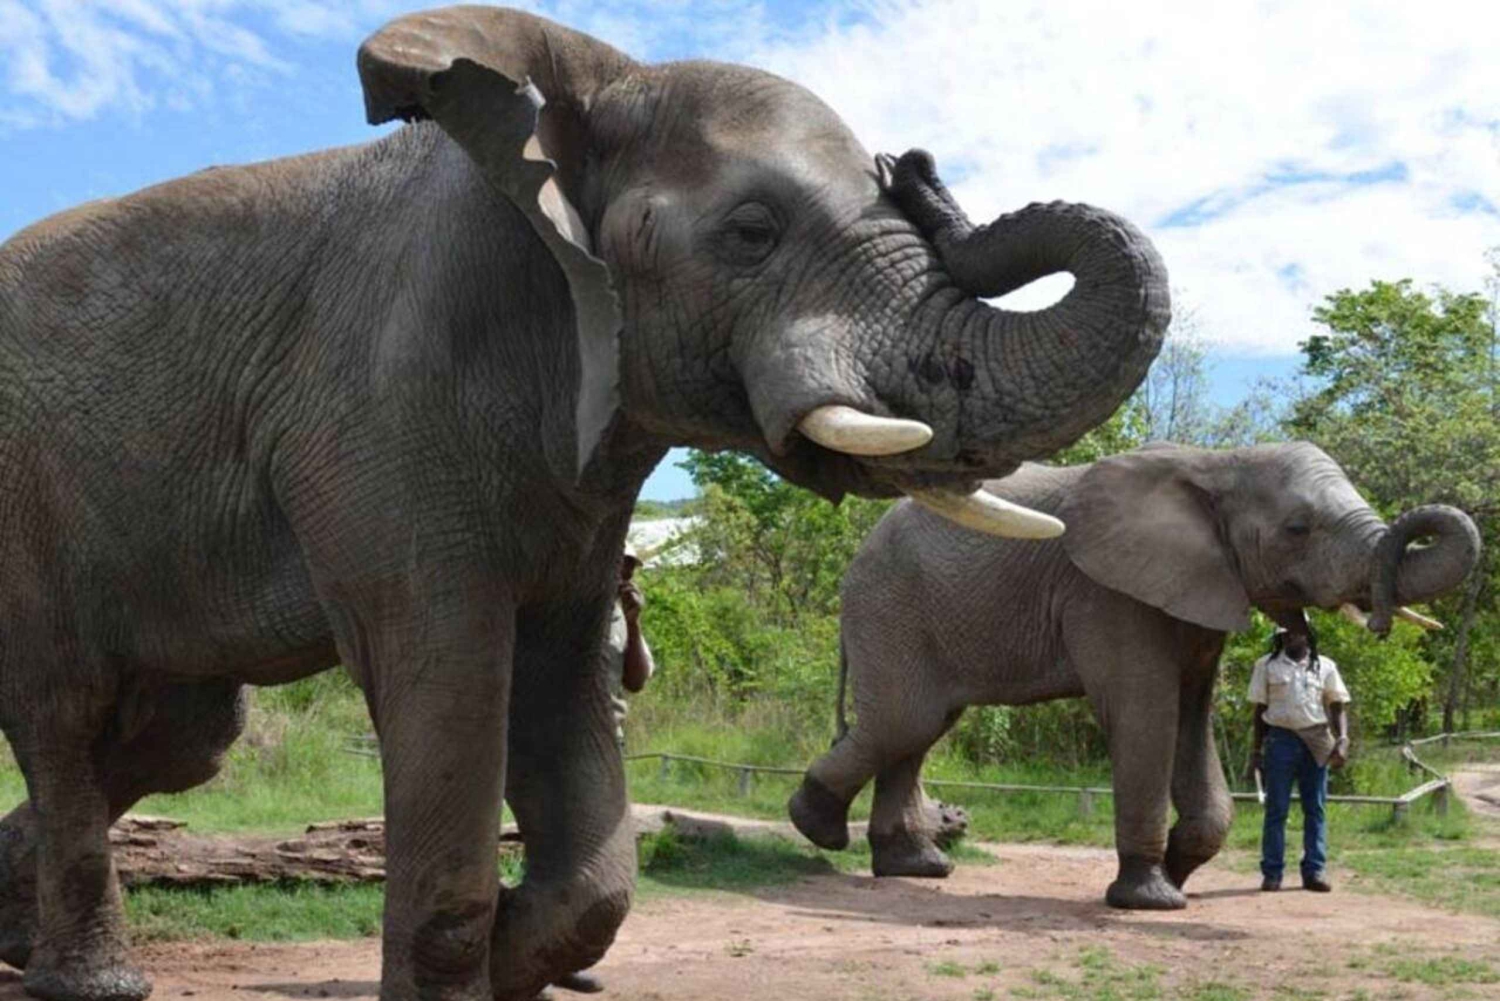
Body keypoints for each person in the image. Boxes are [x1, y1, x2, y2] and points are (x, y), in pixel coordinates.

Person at [546, 546, 655, 997]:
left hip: (607, 743)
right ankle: (533, 957)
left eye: (631, 566)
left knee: (589, 861)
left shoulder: (617, 613)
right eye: (620, 562)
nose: (625, 572)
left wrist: (633, 622)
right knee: (557, 855)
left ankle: (557, 958)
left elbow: (638, 678)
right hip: (555, 743)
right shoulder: (562, 601)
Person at [1245, 626, 1351, 893]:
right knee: (1276, 808)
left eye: (1297, 632)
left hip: (1316, 738)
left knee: (1315, 807)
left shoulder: (1325, 665)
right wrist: (1256, 752)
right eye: (1286, 634)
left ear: (1308, 635)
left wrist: (1343, 739)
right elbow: (1259, 710)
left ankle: (1314, 870)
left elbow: (1337, 704)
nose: (1291, 637)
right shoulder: (1266, 666)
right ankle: (1272, 872)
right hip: (1280, 739)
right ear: (1280, 637)